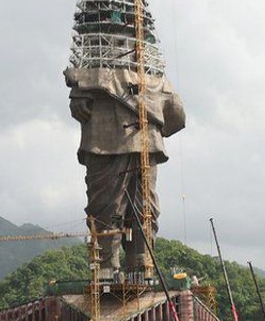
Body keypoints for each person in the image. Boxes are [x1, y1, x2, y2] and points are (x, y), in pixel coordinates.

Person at [65, 66, 185, 279]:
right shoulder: (98, 63)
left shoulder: (152, 71)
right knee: (108, 206)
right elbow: (175, 116)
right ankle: (108, 266)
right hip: (107, 138)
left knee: (142, 207)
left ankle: (139, 262)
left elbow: (175, 112)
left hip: (143, 140)